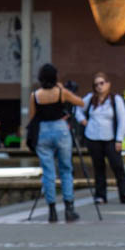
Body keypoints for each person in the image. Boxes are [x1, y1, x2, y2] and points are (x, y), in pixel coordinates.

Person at [29, 63, 86, 223]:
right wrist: (62, 88)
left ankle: (52, 211)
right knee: (66, 169)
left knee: (48, 173)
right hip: (60, 129)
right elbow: (81, 102)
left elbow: (33, 117)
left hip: (43, 131)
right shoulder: (61, 92)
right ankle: (69, 209)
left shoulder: (35, 95)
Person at [75, 71, 125, 205]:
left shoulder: (115, 99)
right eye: (96, 84)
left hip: (110, 138)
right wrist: (83, 121)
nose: (99, 87)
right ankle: (100, 196)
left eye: (102, 83)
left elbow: (122, 120)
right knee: (98, 167)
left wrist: (119, 139)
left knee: (117, 166)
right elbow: (77, 108)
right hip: (93, 137)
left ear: (108, 84)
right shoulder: (90, 98)